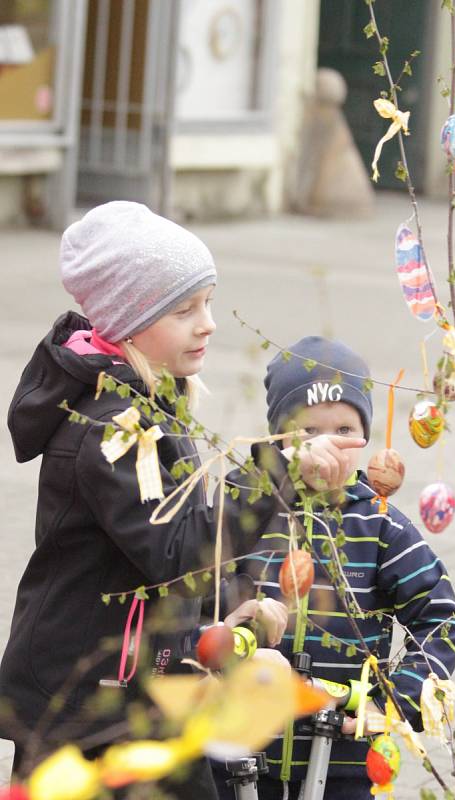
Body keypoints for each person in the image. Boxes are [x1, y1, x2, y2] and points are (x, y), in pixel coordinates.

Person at [0, 204, 366, 798]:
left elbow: (172, 553)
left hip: (143, 690)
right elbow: (177, 548)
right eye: (184, 309)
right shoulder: (112, 429)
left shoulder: (151, 407)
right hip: (86, 708)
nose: (209, 324)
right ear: (128, 319)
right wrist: (277, 467)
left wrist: (229, 608)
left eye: (209, 302)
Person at [213, 336, 455, 800]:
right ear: (279, 438)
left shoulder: (381, 526)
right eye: (309, 431)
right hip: (240, 753)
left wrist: (391, 703)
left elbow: (440, 617)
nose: (329, 446)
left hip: (342, 760)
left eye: (345, 429)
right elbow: (197, 586)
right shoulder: (249, 505)